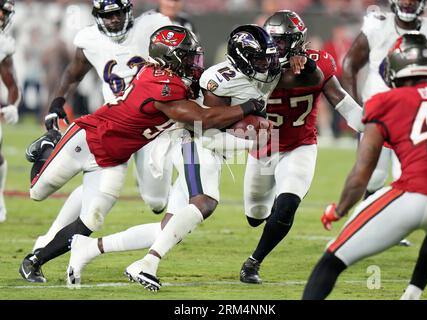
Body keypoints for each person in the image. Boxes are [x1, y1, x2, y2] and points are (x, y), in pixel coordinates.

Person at [67, 23, 313, 291]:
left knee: (168, 228)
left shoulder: (266, 71)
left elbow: (306, 72)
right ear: (243, 59)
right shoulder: (219, 80)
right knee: (205, 202)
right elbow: (204, 128)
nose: (267, 64)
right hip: (194, 142)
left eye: (269, 58)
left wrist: (302, 60)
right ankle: (146, 264)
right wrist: (247, 137)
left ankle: (89, 248)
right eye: (259, 59)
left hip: (212, 150)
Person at [19, 24, 265, 284]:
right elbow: (201, 119)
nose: (194, 63)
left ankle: (34, 261)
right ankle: (47, 148)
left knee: (91, 219)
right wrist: (250, 106)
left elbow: (209, 91)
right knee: (36, 192)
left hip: (113, 160)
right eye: (188, 56)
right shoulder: (159, 83)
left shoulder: (172, 77)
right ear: (169, 59)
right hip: (87, 140)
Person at [23, 0, 173, 272]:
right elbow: (73, 72)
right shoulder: (89, 39)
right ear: (96, 16)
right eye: (107, 16)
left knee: (156, 202)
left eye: (117, 14)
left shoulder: (154, 25)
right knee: (94, 189)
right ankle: (49, 236)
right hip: (114, 126)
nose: (113, 21)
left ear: (129, 11)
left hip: (153, 126)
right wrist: (57, 101)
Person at [302, 32, 427, 300]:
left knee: (331, 261)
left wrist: (339, 210)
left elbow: (362, 173)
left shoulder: (385, 102)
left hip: (413, 194)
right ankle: (412, 294)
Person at [239, 10, 364, 285]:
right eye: (274, 41)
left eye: (283, 42)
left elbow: (340, 99)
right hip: (262, 148)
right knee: (255, 215)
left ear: (297, 41)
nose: (277, 48)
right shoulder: (254, 64)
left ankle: (253, 262)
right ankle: (267, 213)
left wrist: (370, 124)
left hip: (300, 145)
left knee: (286, 206)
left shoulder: (317, 63)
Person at [342, 0, 427, 243]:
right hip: (380, 114)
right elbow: (350, 63)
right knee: (374, 176)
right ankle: (363, 221)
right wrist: (356, 109)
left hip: (415, 117)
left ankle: (391, 225)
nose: (408, 3)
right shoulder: (377, 26)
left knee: (409, 176)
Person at [0, 0, 20, 223]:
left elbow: (12, 84)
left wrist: (12, 105)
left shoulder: (3, 43)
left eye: (4, 14)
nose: (1, 18)